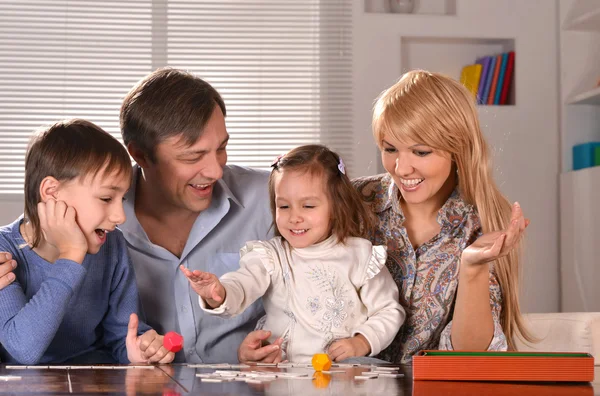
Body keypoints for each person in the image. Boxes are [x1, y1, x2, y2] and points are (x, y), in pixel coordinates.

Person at [237, 70, 531, 364]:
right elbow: (289, 277)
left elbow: (471, 356)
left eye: (421, 151)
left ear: (459, 148)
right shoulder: (355, 198)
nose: (401, 168)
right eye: (390, 149)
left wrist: (472, 268)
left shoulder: (483, 223)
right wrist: (267, 347)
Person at [181, 144, 405, 363]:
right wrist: (218, 292)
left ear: (337, 207)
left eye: (308, 206)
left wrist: (362, 342)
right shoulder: (272, 256)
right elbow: (242, 283)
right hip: (285, 371)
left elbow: (388, 310)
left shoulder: (360, 255)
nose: (294, 217)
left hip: (343, 370)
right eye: (284, 206)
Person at [118, 68, 276, 363]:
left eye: (221, 148)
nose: (216, 171)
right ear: (140, 155)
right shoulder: (101, 220)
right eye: (193, 156)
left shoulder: (272, 199)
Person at [0, 119, 175, 365]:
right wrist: (71, 255)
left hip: (94, 379)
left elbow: (122, 335)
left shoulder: (112, 246)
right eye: (106, 198)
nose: (120, 217)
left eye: (121, 199)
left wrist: (139, 350)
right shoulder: (4, 252)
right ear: (52, 193)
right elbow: (23, 349)